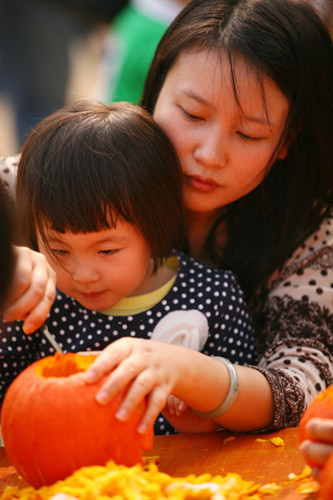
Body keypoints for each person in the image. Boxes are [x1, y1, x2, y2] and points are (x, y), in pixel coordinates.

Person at [79, 0, 333, 436]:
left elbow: (303, 382)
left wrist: (192, 373)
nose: (209, 155)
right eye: (193, 114)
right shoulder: (94, 166)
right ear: (155, 90)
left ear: (288, 140)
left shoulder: (311, 234)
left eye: (249, 133)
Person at [0, 99, 257, 435]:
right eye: (59, 250)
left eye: (107, 250)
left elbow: (246, 412)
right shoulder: (39, 302)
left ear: (155, 224)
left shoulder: (213, 297)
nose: (83, 274)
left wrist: (203, 414)